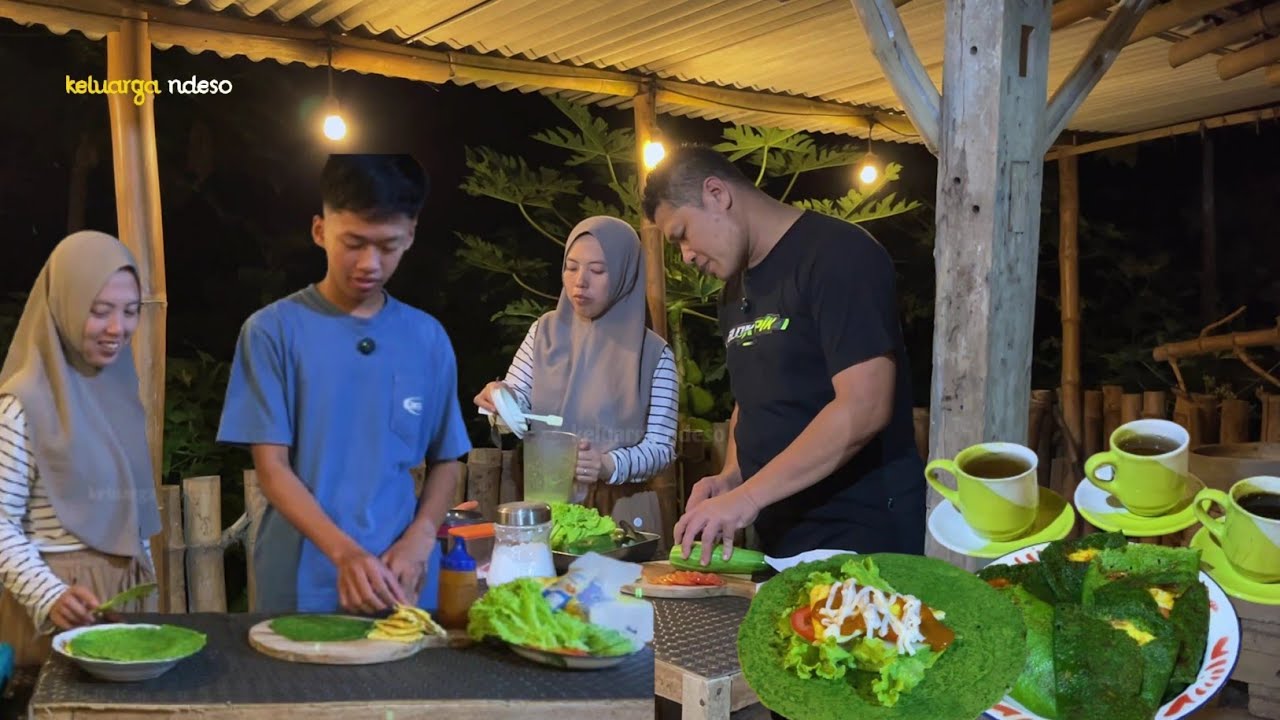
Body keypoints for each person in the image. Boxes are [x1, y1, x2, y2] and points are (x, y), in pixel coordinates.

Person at [642, 145, 926, 565]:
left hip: (863, 534)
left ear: (717, 193)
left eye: (682, 234)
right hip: (783, 539)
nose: (685, 255)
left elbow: (865, 405)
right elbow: (751, 401)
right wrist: (732, 478)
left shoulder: (837, 255)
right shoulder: (733, 292)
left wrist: (748, 497)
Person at [217, 154, 470, 615]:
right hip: (302, 578)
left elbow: (446, 458)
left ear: (410, 235)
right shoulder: (272, 331)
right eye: (353, 242)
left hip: (402, 575)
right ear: (320, 230)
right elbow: (272, 469)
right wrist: (345, 553)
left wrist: (419, 539)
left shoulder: (427, 338)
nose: (369, 263)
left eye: (387, 245)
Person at [0, 231, 162, 666]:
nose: (117, 329)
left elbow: (129, 512)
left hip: (123, 599)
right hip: (57, 608)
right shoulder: (23, 404)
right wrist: (49, 593)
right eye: (99, 310)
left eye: (130, 312)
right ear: (65, 305)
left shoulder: (119, 392)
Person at [473, 216, 678, 516]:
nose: (580, 280)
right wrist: (501, 399)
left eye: (597, 270)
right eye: (571, 267)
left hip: (621, 512)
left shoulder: (654, 354)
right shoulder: (542, 332)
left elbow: (662, 449)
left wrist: (608, 465)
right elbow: (518, 400)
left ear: (624, 274)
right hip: (548, 504)